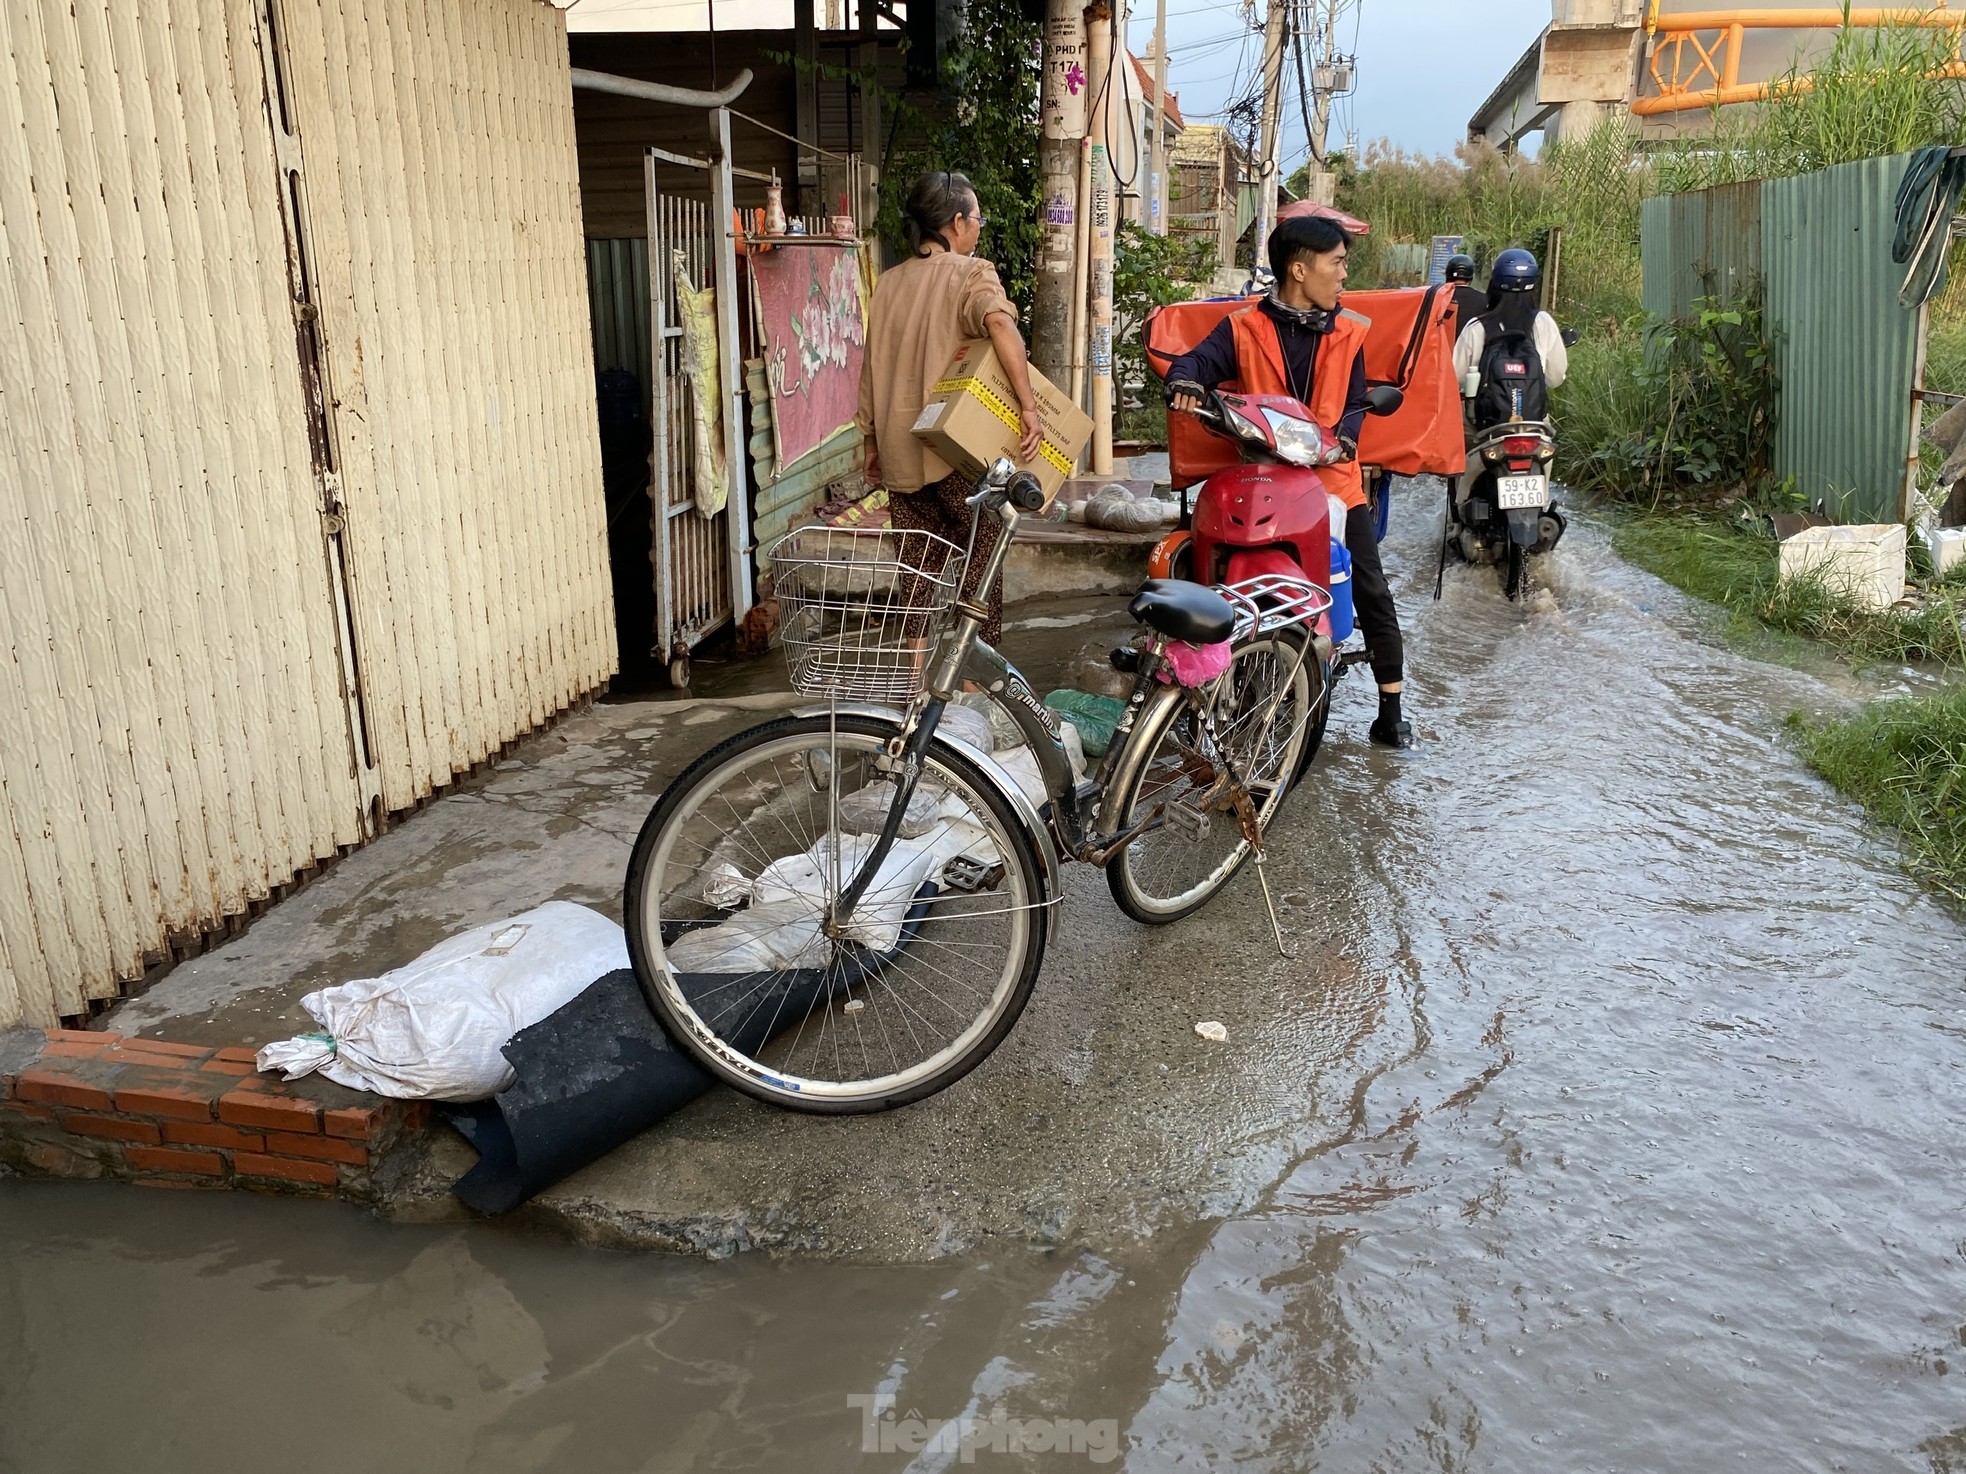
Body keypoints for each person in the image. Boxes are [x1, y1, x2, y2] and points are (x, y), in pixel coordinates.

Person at [1163, 214, 1414, 750]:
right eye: (1338, 263)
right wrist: (1184, 381)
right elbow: (1196, 361)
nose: (1345, 275)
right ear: (1299, 269)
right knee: (1201, 567)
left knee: (1369, 584)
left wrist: (1346, 438)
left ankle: (1391, 706)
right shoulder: (1242, 327)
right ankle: (1194, 685)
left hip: (1332, 477)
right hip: (1263, 475)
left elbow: (1353, 404)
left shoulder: (1350, 331)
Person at [855, 170, 1044, 647]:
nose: (979, 228)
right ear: (957, 223)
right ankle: (969, 695)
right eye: (977, 218)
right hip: (958, 456)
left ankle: (913, 695)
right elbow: (1001, 324)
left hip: (900, 456)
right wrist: (1029, 407)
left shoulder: (888, 284)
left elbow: (870, 368)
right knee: (979, 580)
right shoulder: (971, 273)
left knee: (916, 583)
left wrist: (871, 444)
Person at [1451, 247, 1568, 414]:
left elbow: (1456, 377)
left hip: (1484, 420)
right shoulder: (1544, 322)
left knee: (1461, 433)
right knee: (1546, 436)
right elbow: (1555, 378)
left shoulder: (1477, 326)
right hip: (1532, 419)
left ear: (1494, 284)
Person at [1444, 253, 1486, 338]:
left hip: (1440, 348)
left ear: (1448, 275)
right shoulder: (1484, 299)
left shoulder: (1437, 297)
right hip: (1471, 349)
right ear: (1470, 276)